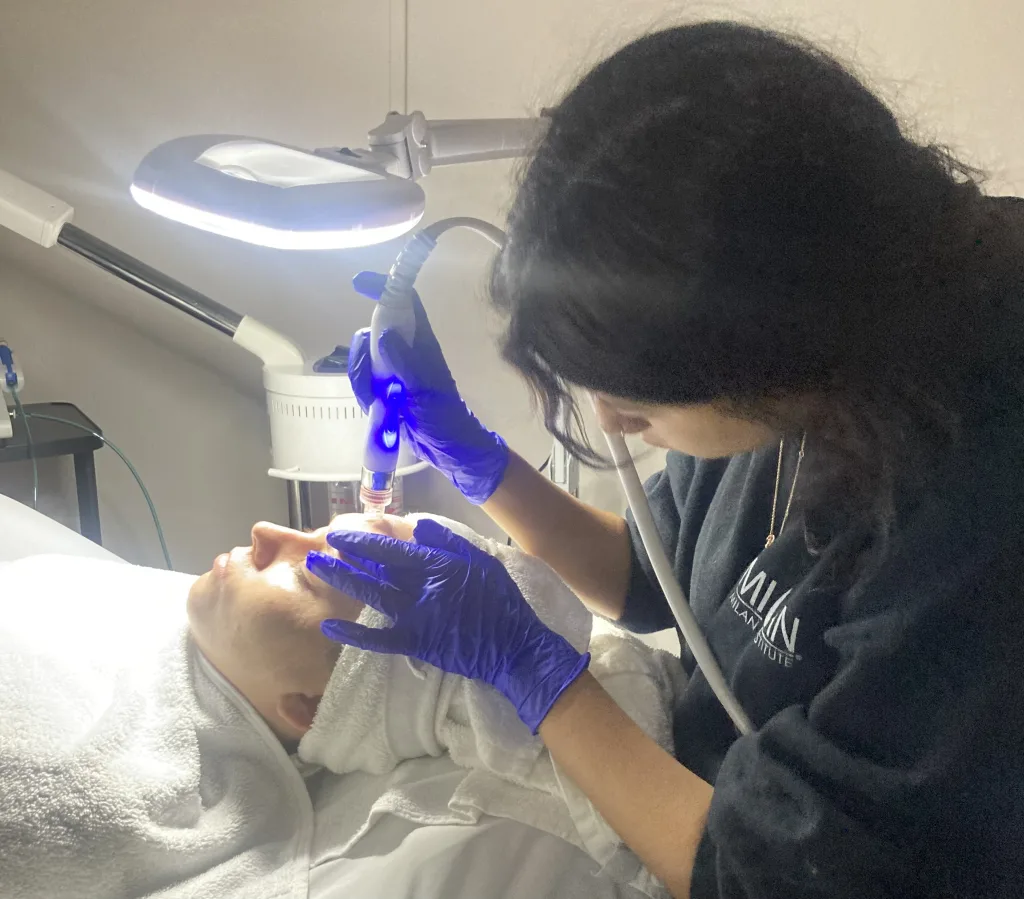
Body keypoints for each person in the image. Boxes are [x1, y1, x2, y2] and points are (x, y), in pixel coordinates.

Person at [317, 20, 1024, 899]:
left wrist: (535, 673)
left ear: (767, 343)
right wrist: (473, 457)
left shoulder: (979, 503)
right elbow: (664, 582)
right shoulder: (828, 338)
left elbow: (778, 877)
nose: (611, 419)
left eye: (638, 404)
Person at [0, 514, 658, 899]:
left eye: (308, 572)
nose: (265, 531)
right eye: (312, 533)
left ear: (311, 707)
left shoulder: (111, 783)